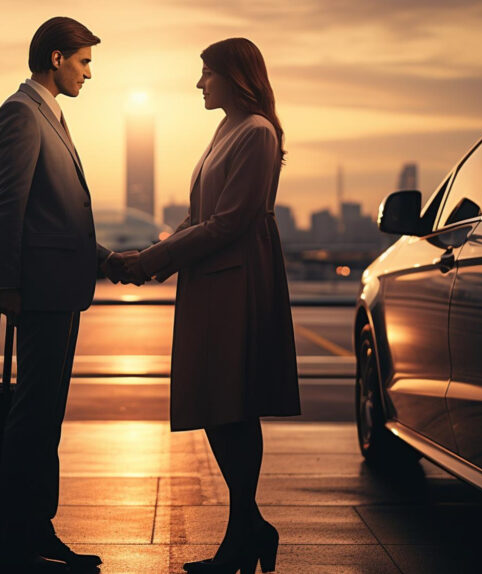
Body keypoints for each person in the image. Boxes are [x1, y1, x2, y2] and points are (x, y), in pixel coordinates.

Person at [111, 38, 301, 574]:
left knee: (232, 403)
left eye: (206, 74)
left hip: (237, 281)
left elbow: (230, 221)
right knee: (220, 403)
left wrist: (152, 260)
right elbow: (200, 217)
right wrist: (153, 256)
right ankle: (250, 529)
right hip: (215, 278)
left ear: (234, 76)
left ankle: (244, 533)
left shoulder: (257, 133)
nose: (199, 84)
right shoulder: (228, 130)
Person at [0, 16, 129, 574]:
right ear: (55, 58)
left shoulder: (50, 116)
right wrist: (9, 284)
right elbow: (10, 206)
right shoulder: (20, 114)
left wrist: (103, 260)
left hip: (59, 288)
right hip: (40, 292)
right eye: (84, 61)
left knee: (45, 416)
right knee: (33, 416)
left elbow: (60, 219)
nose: (88, 73)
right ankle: (13, 539)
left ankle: (35, 528)